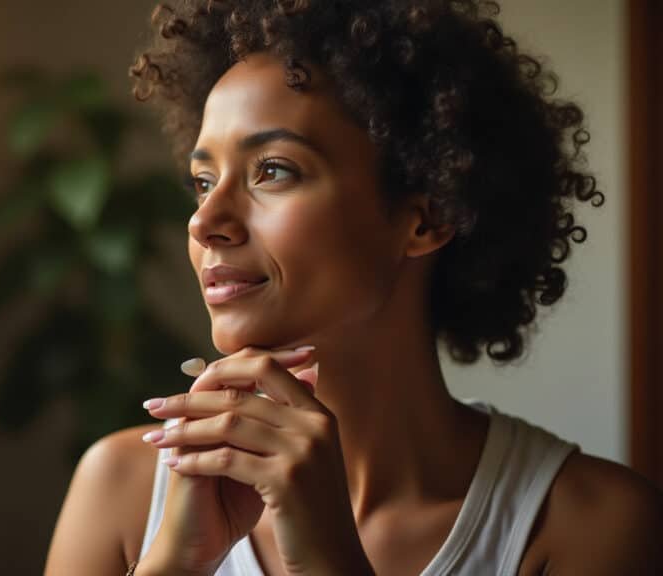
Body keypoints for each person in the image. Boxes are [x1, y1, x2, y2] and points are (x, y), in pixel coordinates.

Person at [45, 1, 663, 574]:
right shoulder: (121, 489)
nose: (204, 222)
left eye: (273, 171)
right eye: (204, 181)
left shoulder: (588, 525)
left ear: (428, 216)